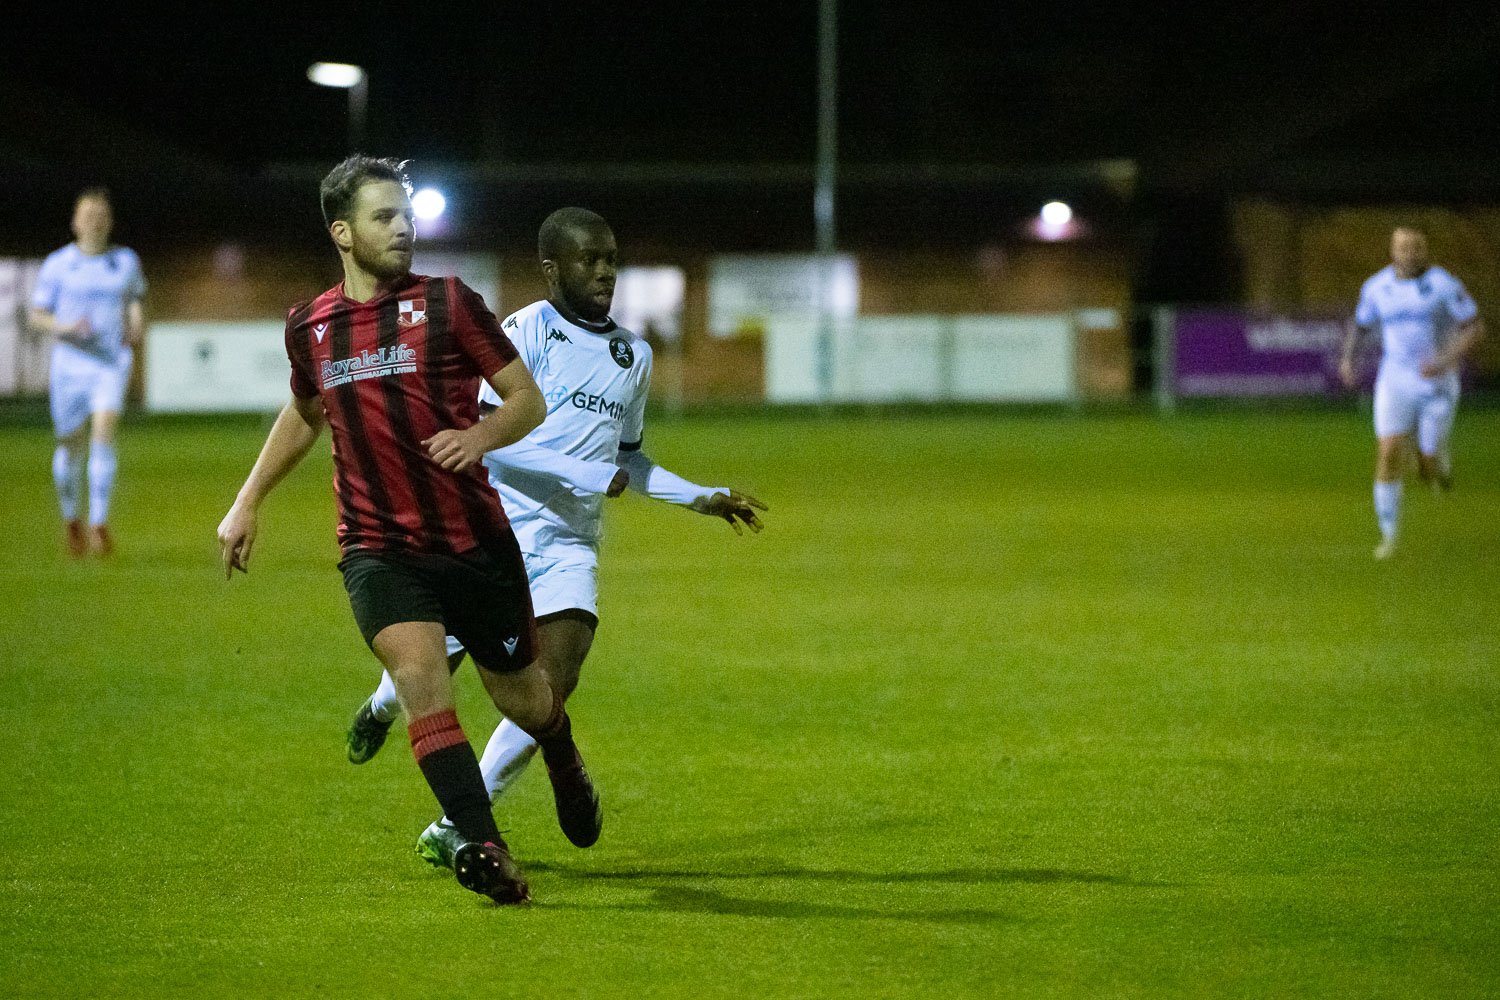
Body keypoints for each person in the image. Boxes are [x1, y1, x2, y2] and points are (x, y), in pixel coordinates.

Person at [216, 157, 599, 905]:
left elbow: (526, 399)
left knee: (524, 701)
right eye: (384, 217)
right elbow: (305, 412)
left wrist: (480, 440)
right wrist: (248, 499)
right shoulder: (311, 325)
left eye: (407, 215)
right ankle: (485, 844)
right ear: (343, 233)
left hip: (474, 543)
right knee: (421, 681)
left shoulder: (450, 304)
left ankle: (560, 751)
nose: (403, 228)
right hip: (376, 548)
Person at [345, 206, 766, 867]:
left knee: (552, 685)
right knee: (428, 666)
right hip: (491, 534)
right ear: (551, 270)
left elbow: (628, 460)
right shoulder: (529, 329)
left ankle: (460, 819)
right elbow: (486, 442)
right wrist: (584, 470)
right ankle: (379, 706)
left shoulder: (635, 355)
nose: (604, 271)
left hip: (569, 545)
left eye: (610, 259)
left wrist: (701, 498)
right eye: (587, 259)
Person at [1340, 226, 1485, 560]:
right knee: (1389, 453)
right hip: (1394, 381)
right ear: (1392, 251)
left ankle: (1437, 461)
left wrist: (1445, 360)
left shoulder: (1444, 285)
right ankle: (1389, 536)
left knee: (1427, 465)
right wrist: (1348, 360)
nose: (1410, 254)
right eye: (1404, 248)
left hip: (1437, 383)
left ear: (1425, 250)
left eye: (1416, 248)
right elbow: (1360, 325)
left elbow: (1474, 328)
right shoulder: (1377, 287)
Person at [29, 189, 146, 557]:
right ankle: (71, 519)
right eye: (88, 213)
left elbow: (134, 299)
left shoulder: (125, 261)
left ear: (109, 221)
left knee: (103, 436)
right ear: (75, 222)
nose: (95, 219)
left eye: (101, 213)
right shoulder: (58, 264)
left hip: (110, 363)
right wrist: (65, 327)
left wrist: (136, 321)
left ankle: (98, 523)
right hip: (70, 366)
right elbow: (37, 315)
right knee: (69, 446)